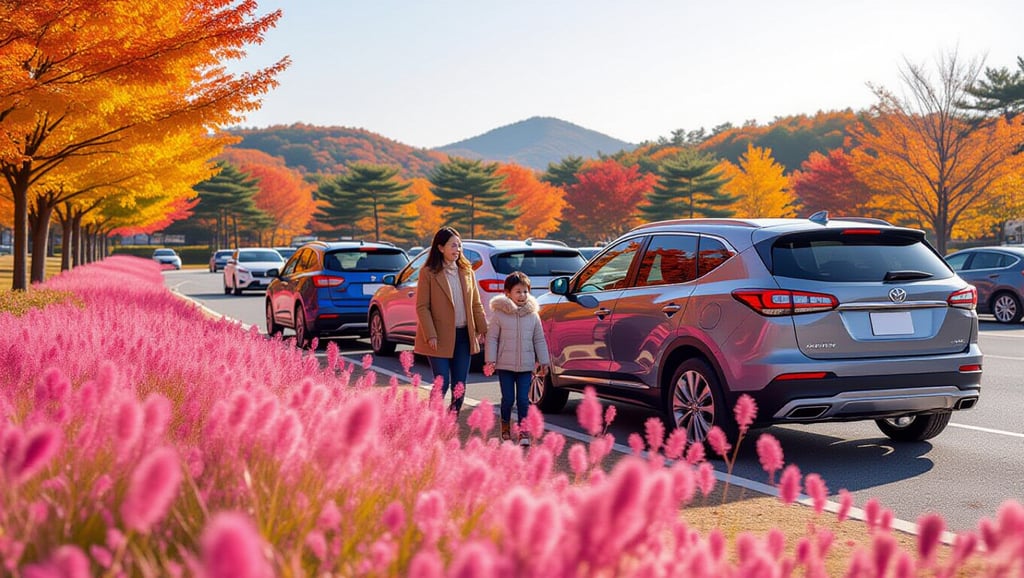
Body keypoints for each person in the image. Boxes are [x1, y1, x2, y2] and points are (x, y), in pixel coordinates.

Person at [414, 226, 487, 415]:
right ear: (440, 248)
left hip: (463, 336)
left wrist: (483, 330)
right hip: (438, 337)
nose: (457, 250)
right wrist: (430, 334)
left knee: (460, 385)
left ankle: (451, 420)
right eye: (453, 246)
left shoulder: (467, 271)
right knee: (442, 381)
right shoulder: (428, 273)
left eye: (459, 246)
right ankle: (431, 420)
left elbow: (476, 304)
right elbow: (423, 307)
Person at [484, 271, 550, 446]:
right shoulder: (499, 314)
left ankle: (523, 432)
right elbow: (492, 338)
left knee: (523, 399)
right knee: (508, 399)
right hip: (505, 366)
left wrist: (544, 361)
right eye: (518, 291)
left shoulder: (533, 315)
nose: (522, 295)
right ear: (507, 293)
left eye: (525, 291)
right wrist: (490, 360)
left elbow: (539, 339)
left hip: (526, 366)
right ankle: (505, 424)